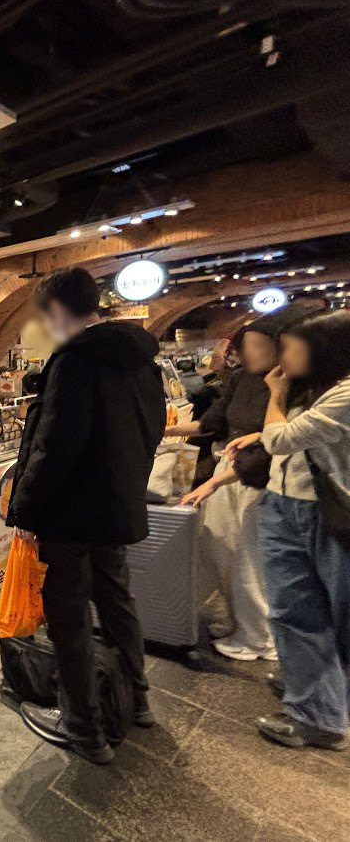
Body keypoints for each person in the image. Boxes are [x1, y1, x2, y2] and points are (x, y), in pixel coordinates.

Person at [7, 266, 165, 765]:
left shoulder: (75, 361)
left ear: (56, 311)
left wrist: (24, 510)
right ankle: (137, 700)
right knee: (118, 602)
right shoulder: (140, 359)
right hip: (116, 508)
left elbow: (54, 447)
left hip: (70, 517)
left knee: (70, 621)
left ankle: (84, 729)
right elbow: (154, 429)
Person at [231, 311, 350, 751]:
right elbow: (281, 439)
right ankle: (315, 699)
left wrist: (275, 395)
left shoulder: (342, 393)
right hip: (285, 506)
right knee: (294, 610)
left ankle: (322, 712)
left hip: (324, 514)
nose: (283, 354)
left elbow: (282, 439)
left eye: (293, 345)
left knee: (327, 612)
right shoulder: (312, 391)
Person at [174, 306, 315, 660]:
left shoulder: (295, 388)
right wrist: (162, 430)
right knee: (219, 550)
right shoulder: (241, 379)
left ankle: (259, 637)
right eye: (245, 345)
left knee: (250, 562)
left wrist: (214, 482)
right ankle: (239, 621)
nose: (247, 352)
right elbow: (211, 424)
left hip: (260, 480)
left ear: (279, 347)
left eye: (257, 345)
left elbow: (273, 444)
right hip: (229, 472)